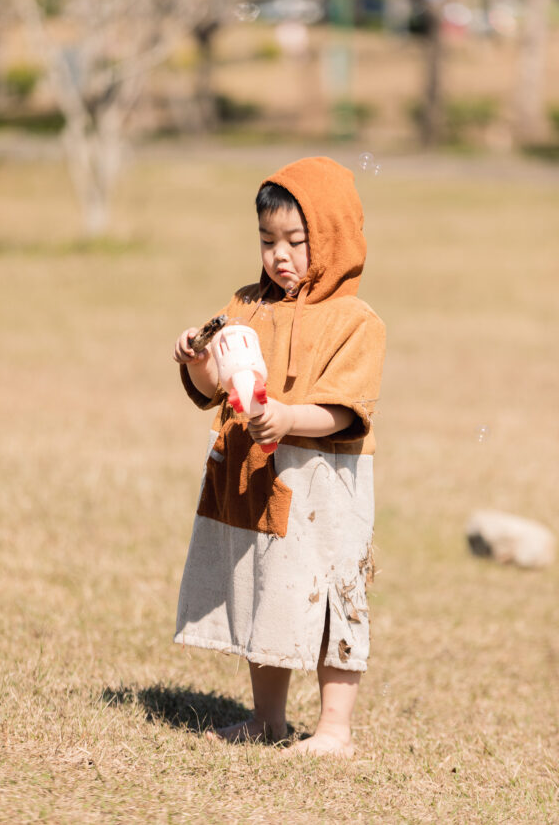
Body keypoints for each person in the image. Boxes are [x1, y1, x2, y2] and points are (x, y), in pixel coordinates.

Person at [172, 156, 386, 757]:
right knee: (263, 588)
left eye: (296, 240)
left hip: (323, 485)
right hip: (256, 478)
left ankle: (334, 730)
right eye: (268, 241)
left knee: (332, 597)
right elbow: (216, 384)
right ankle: (267, 720)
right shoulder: (246, 306)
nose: (279, 256)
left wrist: (289, 418)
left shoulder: (355, 321)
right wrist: (198, 360)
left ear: (333, 239)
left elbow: (345, 412)